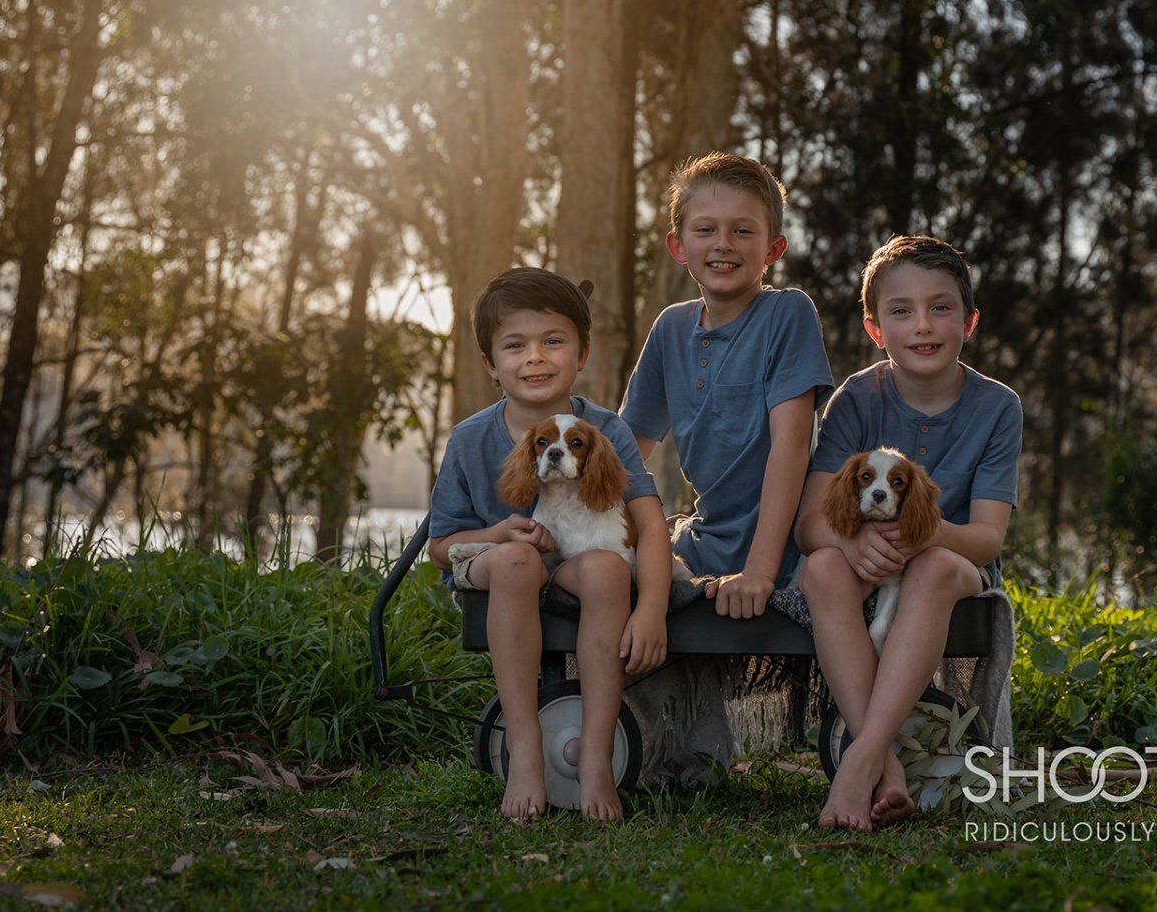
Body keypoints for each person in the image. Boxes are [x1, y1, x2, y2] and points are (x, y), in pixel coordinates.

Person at [794, 235, 1022, 830]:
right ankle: (891, 766)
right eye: (901, 311)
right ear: (875, 328)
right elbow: (810, 525)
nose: (922, 325)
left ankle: (860, 761)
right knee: (820, 567)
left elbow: (987, 540)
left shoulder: (998, 407)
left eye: (940, 307)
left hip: (953, 570)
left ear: (969, 321)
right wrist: (848, 543)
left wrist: (926, 537)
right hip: (859, 569)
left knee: (936, 565)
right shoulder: (855, 399)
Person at [426, 268, 671, 822]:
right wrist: (494, 535)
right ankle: (526, 750)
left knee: (609, 569)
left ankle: (597, 755)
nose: (534, 357)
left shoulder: (607, 428)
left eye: (552, 341)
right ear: (491, 364)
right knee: (515, 561)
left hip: (573, 563)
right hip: (498, 566)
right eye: (515, 345)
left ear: (581, 354)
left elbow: (651, 524)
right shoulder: (470, 438)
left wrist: (652, 607)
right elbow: (441, 546)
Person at [623, 151, 833, 617]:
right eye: (705, 230)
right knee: (598, 569)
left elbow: (790, 447)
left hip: (784, 547)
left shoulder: (787, 313)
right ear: (679, 247)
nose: (724, 244)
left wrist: (760, 570)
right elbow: (625, 452)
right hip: (706, 539)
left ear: (773, 249)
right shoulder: (671, 329)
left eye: (743, 230)